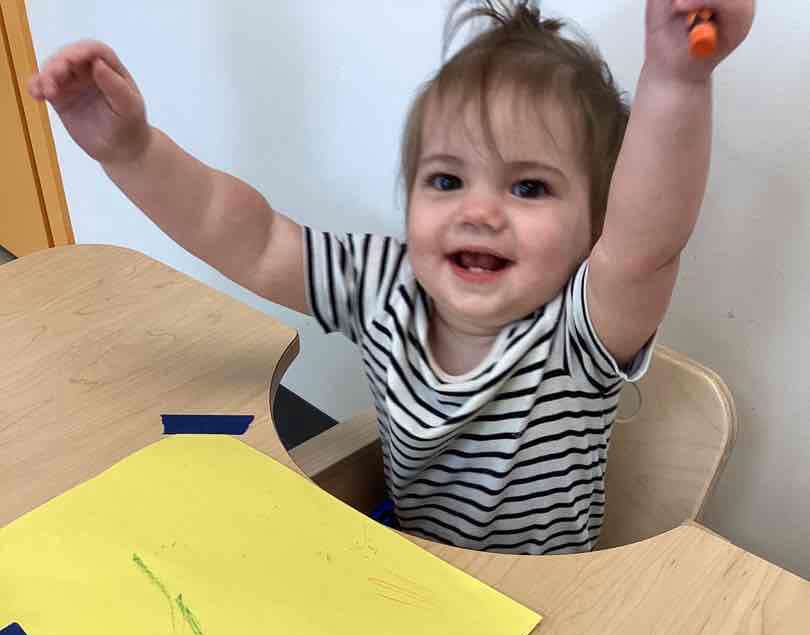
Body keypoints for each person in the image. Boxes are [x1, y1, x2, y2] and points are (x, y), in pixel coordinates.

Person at [28, 0, 754, 554]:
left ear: (595, 228)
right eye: (446, 179)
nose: (478, 211)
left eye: (528, 187)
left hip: (549, 614)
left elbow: (646, 245)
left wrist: (677, 77)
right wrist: (131, 151)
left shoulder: (581, 327)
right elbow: (250, 236)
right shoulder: (380, 282)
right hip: (415, 579)